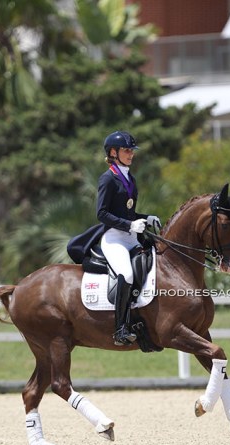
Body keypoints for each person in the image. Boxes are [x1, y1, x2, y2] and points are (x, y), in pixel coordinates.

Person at [67, 131, 160, 346]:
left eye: (131, 151)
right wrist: (129, 225)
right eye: (127, 151)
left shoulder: (130, 178)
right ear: (113, 152)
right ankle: (120, 328)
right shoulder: (108, 178)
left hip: (131, 238)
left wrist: (145, 218)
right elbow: (102, 214)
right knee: (126, 274)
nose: (131, 154)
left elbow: (128, 213)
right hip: (114, 239)